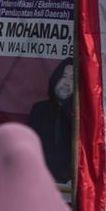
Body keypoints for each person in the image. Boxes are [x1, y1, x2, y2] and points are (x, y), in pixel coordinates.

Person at [27, 57, 74, 185]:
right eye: (64, 76)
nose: (66, 83)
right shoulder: (39, 110)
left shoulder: (81, 116)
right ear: (56, 78)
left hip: (69, 185)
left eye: (72, 79)